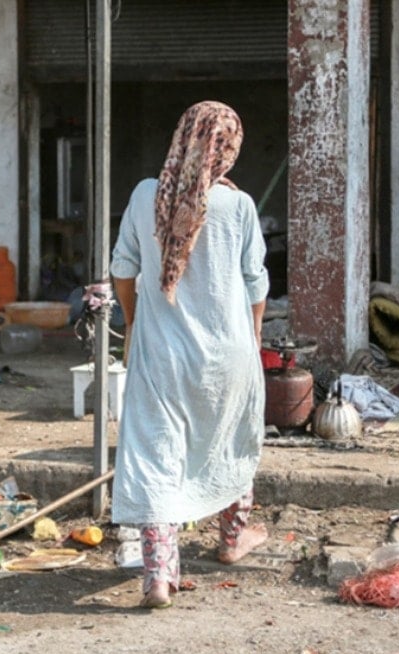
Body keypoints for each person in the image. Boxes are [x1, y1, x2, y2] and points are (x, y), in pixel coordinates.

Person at [110, 101, 270, 609]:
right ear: (229, 149)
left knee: (156, 453)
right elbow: (255, 284)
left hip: (163, 354)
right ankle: (231, 540)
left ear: (182, 138)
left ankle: (159, 577)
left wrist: (134, 321)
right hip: (229, 352)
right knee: (229, 438)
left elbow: (122, 267)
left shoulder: (143, 196)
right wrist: (254, 337)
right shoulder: (238, 207)